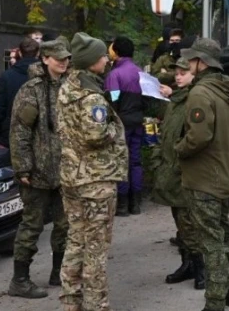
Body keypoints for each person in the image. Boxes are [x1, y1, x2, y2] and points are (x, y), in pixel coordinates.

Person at [57, 32, 128, 311]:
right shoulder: (91, 96)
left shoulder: (68, 87)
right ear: (90, 62)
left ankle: (70, 301)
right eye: (101, 56)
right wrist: (114, 127)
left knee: (75, 240)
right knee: (96, 248)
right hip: (96, 180)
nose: (105, 59)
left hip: (72, 177)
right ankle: (96, 305)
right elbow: (96, 135)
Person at [176, 38, 229, 311]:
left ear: (201, 63)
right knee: (225, 232)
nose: (189, 63)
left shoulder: (201, 93)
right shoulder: (226, 90)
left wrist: (178, 148)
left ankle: (214, 302)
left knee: (211, 241)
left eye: (192, 60)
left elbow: (199, 137)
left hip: (204, 179)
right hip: (225, 174)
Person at [7, 39, 72, 299]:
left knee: (64, 225)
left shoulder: (69, 86)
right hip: (37, 172)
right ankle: (19, 279)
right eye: (58, 58)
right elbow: (19, 132)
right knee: (31, 226)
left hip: (65, 170)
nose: (64, 62)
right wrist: (23, 167)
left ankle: (59, 271)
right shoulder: (30, 90)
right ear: (45, 59)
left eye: (66, 58)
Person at [151, 57, 206, 290]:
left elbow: (197, 138)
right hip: (171, 171)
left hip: (186, 172)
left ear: (194, 74)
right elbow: (166, 133)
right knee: (180, 220)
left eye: (183, 72)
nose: (178, 76)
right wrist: (157, 159)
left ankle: (200, 267)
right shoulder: (176, 100)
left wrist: (177, 155)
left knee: (189, 222)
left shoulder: (194, 100)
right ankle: (187, 264)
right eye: (176, 72)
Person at [104, 36, 146, 216]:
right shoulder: (140, 72)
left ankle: (122, 205)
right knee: (135, 161)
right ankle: (135, 203)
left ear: (116, 52)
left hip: (121, 123)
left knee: (121, 161)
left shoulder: (115, 75)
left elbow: (113, 100)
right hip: (138, 121)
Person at [0, 37, 40, 147]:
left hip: (11, 131)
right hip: (38, 132)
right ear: (38, 53)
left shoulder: (7, 76)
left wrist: (0, 131)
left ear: (19, 52)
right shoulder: (44, 75)